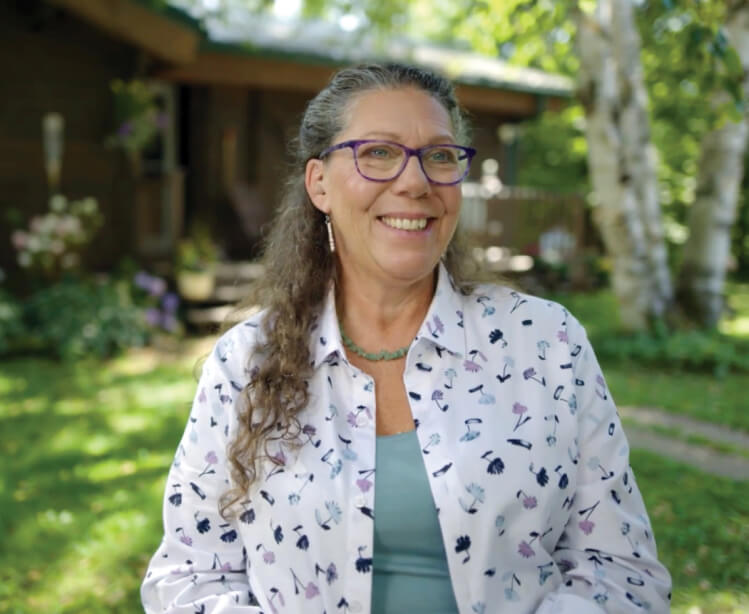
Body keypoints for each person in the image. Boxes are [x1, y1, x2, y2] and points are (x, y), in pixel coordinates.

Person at [141, 63, 671, 614]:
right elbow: (187, 575)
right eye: (378, 153)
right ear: (319, 184)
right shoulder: (245, 363)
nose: (415, 182)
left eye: (439, 156)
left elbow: (622, 571)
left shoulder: (548, 344)